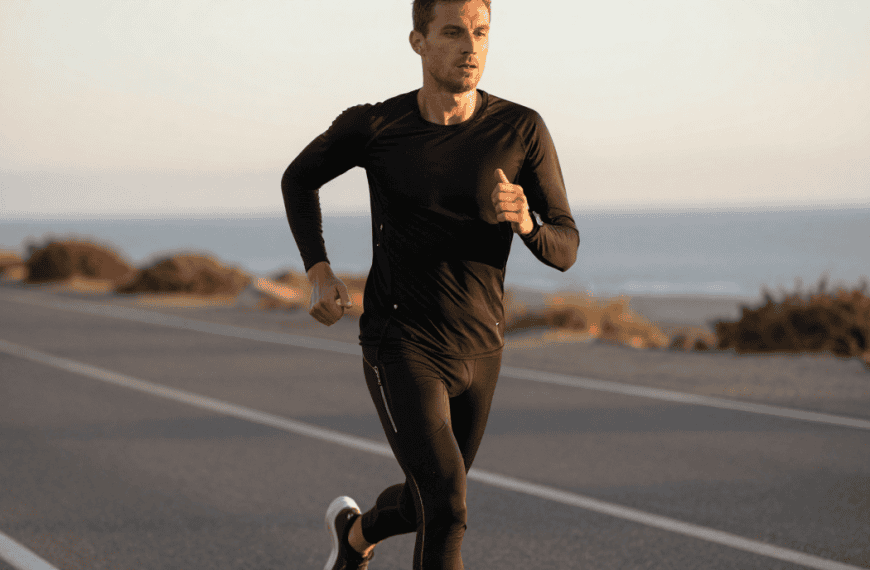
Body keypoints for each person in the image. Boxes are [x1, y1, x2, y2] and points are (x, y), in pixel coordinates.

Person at [281, 1, 578, 567]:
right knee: (447, 506)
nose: (471, 47)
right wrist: (318, 269)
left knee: (429, 501)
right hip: (401, 340)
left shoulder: (521, 128)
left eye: (481, 33)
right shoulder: (376, 126)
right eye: (453, 32)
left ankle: (354, 535)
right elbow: (298, 179)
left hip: (481, 346)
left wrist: (527, 223)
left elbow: (566, 246)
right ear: (418, 41)